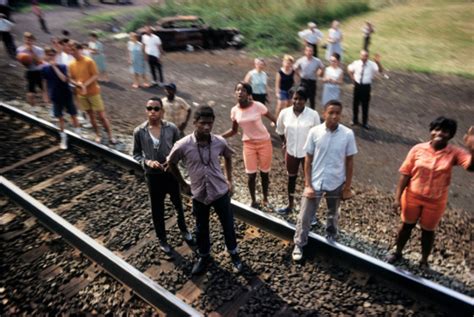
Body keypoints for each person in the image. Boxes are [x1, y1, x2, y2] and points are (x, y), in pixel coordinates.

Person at [387, 118, 474, 268]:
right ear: (431, 131)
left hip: (435, 201)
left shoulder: (454, 153)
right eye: (437, 129)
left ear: (450, 135)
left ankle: (424, 261)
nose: (440, 133)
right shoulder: (417, 149)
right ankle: (397, 252)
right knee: (406, 226)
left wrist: (472, 149)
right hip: (412, 196)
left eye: (445, 131)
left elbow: (470, 167)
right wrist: (397, 198)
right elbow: (405, 174)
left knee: (428, 231)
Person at [167, 106, 243, 275]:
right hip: (199, 194)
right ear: (194, 123)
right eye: (202, 123)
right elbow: (171, 162)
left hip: (220, 192)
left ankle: (233, 253)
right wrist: (182, 183)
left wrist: (229, 180)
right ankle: (204, 256)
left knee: (228, 225)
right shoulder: (183, 144)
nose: (207, 127)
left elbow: (228, 156)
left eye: (210, 123)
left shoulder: (219, 141)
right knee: (201, 228)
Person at [292, 100, 357, 261]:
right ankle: (299, 243)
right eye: (331, 112)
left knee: (332, 213)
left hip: (336, 181)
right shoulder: (314, 132)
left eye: (338, 113)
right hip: (315, 181)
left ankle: (331, 237)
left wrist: (347, 187)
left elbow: (349, 161)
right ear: (324, 114)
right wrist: (307, 185)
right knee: (305, 215)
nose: (334, 116)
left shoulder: (347, 134)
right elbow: (308, 159)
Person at [133, 97, 194, 254]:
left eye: (156, 108)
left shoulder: (171, 128)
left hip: (170, 174)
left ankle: (184, 231)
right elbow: (136, 154)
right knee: (157, 209)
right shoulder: (139, 131)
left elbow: (179, 148)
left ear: (162, 111)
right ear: (146, 110)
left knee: (178, 205)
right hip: (153, 177)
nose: (152, 111)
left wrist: (171, 160)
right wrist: (147, 162)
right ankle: (162, 238)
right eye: (149, 108)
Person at [222, 82, 277, 209]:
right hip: (248, 144)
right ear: (235, 93)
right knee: (251, 175)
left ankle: (265, 198)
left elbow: (274, 119)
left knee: (264, 173)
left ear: (248, 94)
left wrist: (283, 137)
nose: (240, 92)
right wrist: (219, 136)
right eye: (238, 90)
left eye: (243, 90)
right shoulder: (234, 111)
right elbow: (234, 131)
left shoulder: (258, 106)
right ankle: (253, 200)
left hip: (264, 142)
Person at [276, 88, 320, 215]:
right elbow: (280, 130)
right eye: (295, 98)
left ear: (305, 100)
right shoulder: (284, 113)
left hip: (308, 154)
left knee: (309, 182)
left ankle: (310, 212)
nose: (297, 101)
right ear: (291, 99)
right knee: (291, 179)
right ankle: (290, 205)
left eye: (300, 99)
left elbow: (318, 135)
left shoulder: (313, 115)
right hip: (291, 152)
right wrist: (285, 142)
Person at [68, 41, 116, 144]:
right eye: (71, 50)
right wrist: (78, 84)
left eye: (74, 50)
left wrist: (84, 85)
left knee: (102, 116)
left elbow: (95, 75)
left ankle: (110, 136)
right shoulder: (71, 64)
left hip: (93, 92)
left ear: (80, 49)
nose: (72, 52)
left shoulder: (88, 61)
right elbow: (71, 79)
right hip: (81, 94)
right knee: (91, 116)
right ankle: (98, 134)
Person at [41, 46, 81, 149]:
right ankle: (63, 138)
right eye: (49, 55)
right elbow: (45, 82)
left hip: (66, 94)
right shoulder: (44, 69)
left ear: (56, 56)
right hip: (55, 96)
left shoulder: (63, 67)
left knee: (73, 114)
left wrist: (54, 67)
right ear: (46, 56)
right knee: (60, 117)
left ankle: (78, 133)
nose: (51, 57)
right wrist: (45, 94)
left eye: (52, 55)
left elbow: (64, 79)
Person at [347, 50, 383, 129]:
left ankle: (365, 122)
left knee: (365, 105)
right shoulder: (356, 63)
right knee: (355, 104)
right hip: (357, 85)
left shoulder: (372, 64)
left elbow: (380, 70)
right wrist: (353, 79)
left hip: (366, 86)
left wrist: (378, 62)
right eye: (363, 56)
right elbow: (349, 69)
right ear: (360, 56)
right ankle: (355, 120)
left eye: (366, 56)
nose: (364, 57)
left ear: (368, 56)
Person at [16, 32, 45, 109]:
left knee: (45, 90)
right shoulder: (20, 50)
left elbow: (39, 62)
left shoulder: (39, 50)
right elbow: (22, 63)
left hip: (39, 71)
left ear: (33, 40)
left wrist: (31, 52)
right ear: (24, 40)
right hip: (30, 72)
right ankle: (33, 109)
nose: (28, 41)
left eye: (30, 40)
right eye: (27, 40)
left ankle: (51, 106)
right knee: (30, 93)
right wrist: (24, 61)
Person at [294, 45, 324, 110]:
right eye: (307, 51)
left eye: (310, 51)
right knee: (302, 97)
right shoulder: (301, 60)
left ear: (313, 52)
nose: (309, 52)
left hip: (312, 81)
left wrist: (319, 73)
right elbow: (295, 68)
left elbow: (322, 67)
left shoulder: (317, 61)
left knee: (312, 98)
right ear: (305, 51)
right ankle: (301, 110)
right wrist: (299, 74)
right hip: (303, 81)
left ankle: (312, 112)